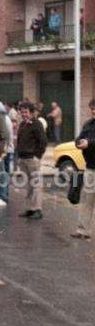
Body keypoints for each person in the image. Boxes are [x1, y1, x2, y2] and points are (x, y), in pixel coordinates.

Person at [17, 102, 47, 220]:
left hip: (32, 158)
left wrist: (37, 156)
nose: (24, 114)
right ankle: (30, 209)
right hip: (23, 158)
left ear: (31, 112)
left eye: (26, 112)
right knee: (28, 185)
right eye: (22, 112)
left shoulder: (37, 124)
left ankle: (37, 209)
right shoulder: (23, 124)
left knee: (36, 184)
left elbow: (43, 142)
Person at [71, 99, 95, 239]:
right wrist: (78, 142)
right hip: (90, 167)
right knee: (86, 200)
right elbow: (80, 138)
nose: (93, 111)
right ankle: (83, 230)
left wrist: (89, 143)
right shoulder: (88, 124)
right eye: (92, 108)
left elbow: (90, 141)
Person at [0, 101, 15, 207]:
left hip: (6, 151)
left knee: (3, 173)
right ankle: (2, 195)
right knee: (3, 173)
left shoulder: (4, 119)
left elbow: (6, 137)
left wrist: (3, 151)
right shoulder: (2, 118)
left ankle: (3, 196)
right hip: (5, 150)